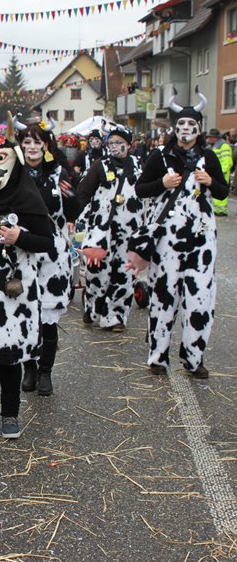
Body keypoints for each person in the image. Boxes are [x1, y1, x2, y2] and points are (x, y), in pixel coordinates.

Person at [127, 88, 228, 379]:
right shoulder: (161, 156)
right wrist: (162, 182)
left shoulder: (208, 156)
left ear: (198, 129)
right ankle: (158, 356)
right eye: (181, 126)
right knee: (163, 296)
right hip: (167, 241)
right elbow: (141, 189)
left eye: (191, 126)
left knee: (199, 299)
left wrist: (210, 181)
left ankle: (194, 358)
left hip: (201, 240)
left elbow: (223, 192)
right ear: (175, 128)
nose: (186, 131)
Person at [0, 119, 54, 439]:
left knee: (10, 352)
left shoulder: (26, 197)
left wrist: (20, 237)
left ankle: (11, 412)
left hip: (14, 288)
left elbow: (47, 241)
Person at [16, 117, 79, 395]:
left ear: (46, 146)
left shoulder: (58, 173)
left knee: (48, 315)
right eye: (27, 141)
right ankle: (28, 369)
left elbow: (75, 209)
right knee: (24, 313)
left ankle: (45, 372)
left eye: (37, 142)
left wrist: (72, 196)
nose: (32, 147)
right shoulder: (12, 173)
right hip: (20, 250)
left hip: (52, 253)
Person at [76, 123, 145, 332]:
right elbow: (83, 191)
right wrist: (90, 215)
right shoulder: (100, 164)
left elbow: (147, 191)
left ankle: (116, 316)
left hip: (129, 228)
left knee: (124, 274)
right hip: (102, 229)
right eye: (112, 142)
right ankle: (93, 309)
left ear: (129, 145)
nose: (115, 147)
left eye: (120, 143)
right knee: (98, 271)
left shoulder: (138, 165)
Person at [205, 128, 232, 216]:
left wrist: (223, 171)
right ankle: (217, 209)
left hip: (222, 172)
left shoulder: (224, 146)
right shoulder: (214, 146)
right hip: (217, 172)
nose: (208, 139)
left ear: (215, 138)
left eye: (210, 137)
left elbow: (226, 160)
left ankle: (221, 210)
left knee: (221, 188)